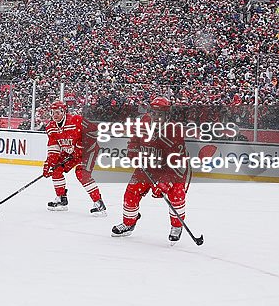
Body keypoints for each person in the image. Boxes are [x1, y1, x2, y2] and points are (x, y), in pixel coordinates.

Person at [111, 97, 191, 244]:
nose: (156, 117)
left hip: (172, 170)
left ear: (167, 115)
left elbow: (177, 162)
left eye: (160, 114)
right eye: (153, 113)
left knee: (176, 195)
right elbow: (134, 140)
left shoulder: (174, 131)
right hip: (147, 167)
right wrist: (133, 153)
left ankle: (176, 226)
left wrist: (164, 183)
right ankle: (129, 222)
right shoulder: (143, 122)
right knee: (131, 192)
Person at [42, 100, 106, 216]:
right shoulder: (51, 127)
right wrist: (49, 164)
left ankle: (99, 203)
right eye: (53, 112)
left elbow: (94, 131)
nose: (55, 115)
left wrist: (82, 144)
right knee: (56, 169)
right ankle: (61, 199)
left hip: (88, 151)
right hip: (71, 153)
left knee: (81, 173)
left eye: (57, 112)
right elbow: (54, 148)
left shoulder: (76, 120)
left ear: (64, 111)